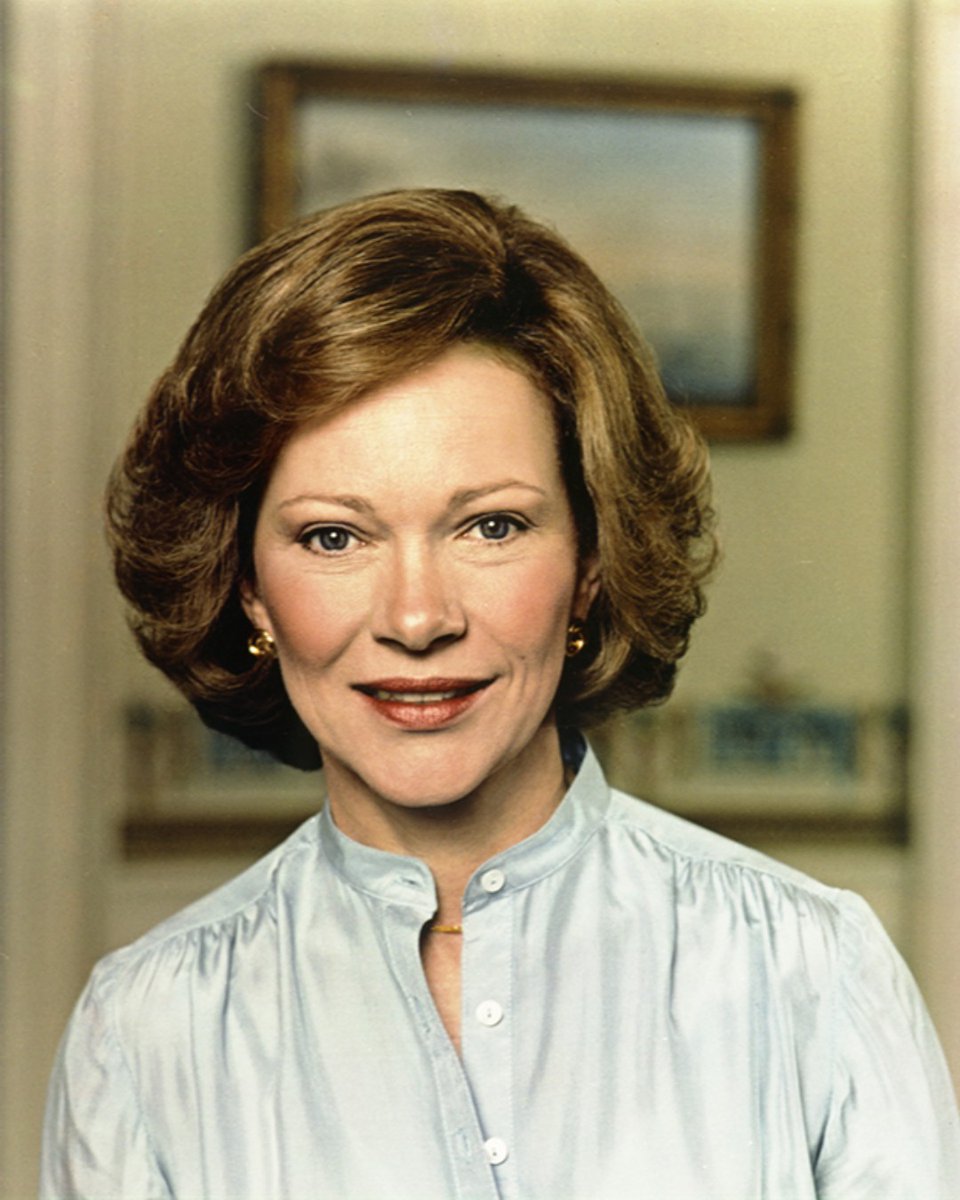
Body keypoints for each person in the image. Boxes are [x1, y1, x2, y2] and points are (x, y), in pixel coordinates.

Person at [41, 188, 959, 1199]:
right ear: (248, 587)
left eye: (491, 526)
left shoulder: (808, 972)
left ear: (594, 562)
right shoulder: (143, 1031)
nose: (418, 617)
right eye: (332, 537)